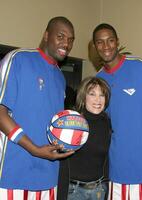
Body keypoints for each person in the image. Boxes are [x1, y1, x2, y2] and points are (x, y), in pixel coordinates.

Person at [0, 16, 75, 200]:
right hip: (13, 175)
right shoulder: (18, 59)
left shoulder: (60, 77)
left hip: (48, 177)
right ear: (46, 35)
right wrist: (34, 148)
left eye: (70, 40)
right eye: (61, 36)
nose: (66, 43)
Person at [92, 23, 142, 199]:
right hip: (116, 171)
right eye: (100, 42)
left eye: (110, 40)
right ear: (95, 46)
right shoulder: (98, 81)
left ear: (117, 42)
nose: (106, 46)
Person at [67, 76, 111, 200]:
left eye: (102, 95)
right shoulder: (72, 122)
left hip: (99, 190)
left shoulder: (107, 123)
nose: (98, 100)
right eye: (92, 94)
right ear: (83, 97)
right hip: (73, 191)